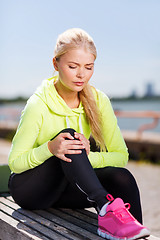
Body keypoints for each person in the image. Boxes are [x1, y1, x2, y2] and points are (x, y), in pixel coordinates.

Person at [8, 28, 150, 240]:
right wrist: (49, 148)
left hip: (69, 190)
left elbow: (121, 156)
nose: (81, 74)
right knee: (69, 136)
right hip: (31, 191)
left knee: (122, 178)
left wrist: (87, 156)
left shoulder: (99, 101)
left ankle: (133, 232)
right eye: (73, 66)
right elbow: (15, 163)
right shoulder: (37, 104)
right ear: (56, 64)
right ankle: (105, 208)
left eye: (88, 67)